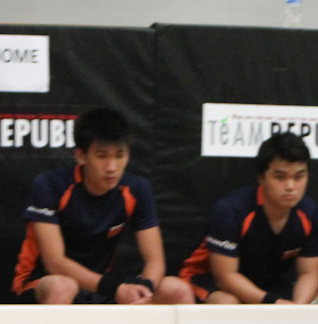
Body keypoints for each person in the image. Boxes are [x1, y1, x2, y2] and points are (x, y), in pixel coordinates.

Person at [11, 107, 193, 305]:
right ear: (81, 156)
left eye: (119, 155)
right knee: (62, 287)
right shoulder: (50, 185)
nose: (112, 167)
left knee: (178, 290)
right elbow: (54, 262)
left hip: (103, 286)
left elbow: (155, 261)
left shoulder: (137, 189)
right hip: (43, 283)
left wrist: (145, 289)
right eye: (102, 156)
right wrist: (114, 289)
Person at [179, 132, 318, 304]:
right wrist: (274, 302)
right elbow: (225, 277)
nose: (291, 186)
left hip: (267, 284)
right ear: (261, 178)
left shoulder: (310, 213)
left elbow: (309, 273)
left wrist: (298, 308)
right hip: (209, 279)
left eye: (299, 177)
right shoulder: (231, 210)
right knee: (228, 303)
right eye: (280, 177)